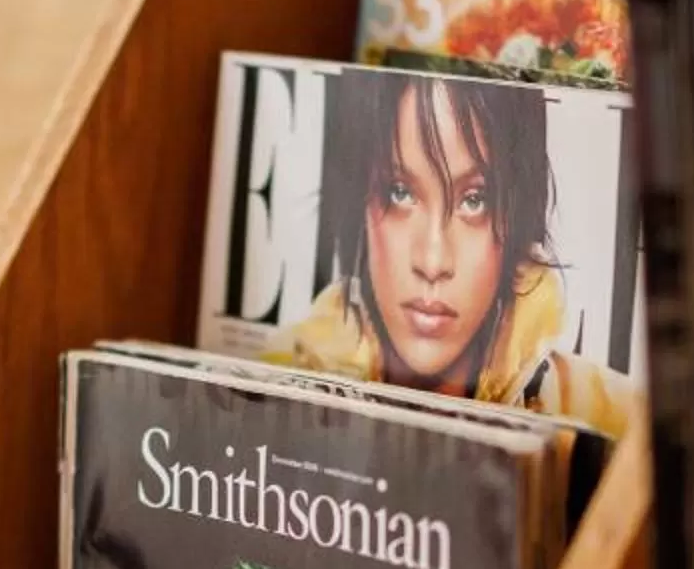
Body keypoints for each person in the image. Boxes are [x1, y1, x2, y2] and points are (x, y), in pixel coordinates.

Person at [271, 70, 632, 434]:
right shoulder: (274, 382)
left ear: (516, 216)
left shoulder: (617, 421)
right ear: (360, 200)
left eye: (475, 200)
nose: (432, 262)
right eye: (399, 192)